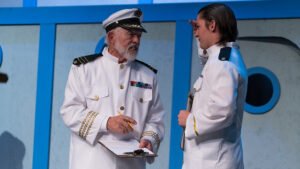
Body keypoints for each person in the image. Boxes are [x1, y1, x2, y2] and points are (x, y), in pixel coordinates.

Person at [60, 8, 165, 169]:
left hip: (132, 165)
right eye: (131, 34)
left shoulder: (147, 75)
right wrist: (106, 122)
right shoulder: (84, 69)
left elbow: (156, 120)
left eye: (139, 35)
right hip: (92, 163)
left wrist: (149, 140)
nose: (136, 40)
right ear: (111, 37)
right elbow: (70, 111)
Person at [178, 3, 248, 169]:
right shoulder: (225, 56)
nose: (195, 32)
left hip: (213, 161)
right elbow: (207, 59)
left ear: (212, 25)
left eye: (198, 27)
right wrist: (198, 35)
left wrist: (190, 121)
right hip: (214, 158)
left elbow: (222, 111)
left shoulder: (222, 64)